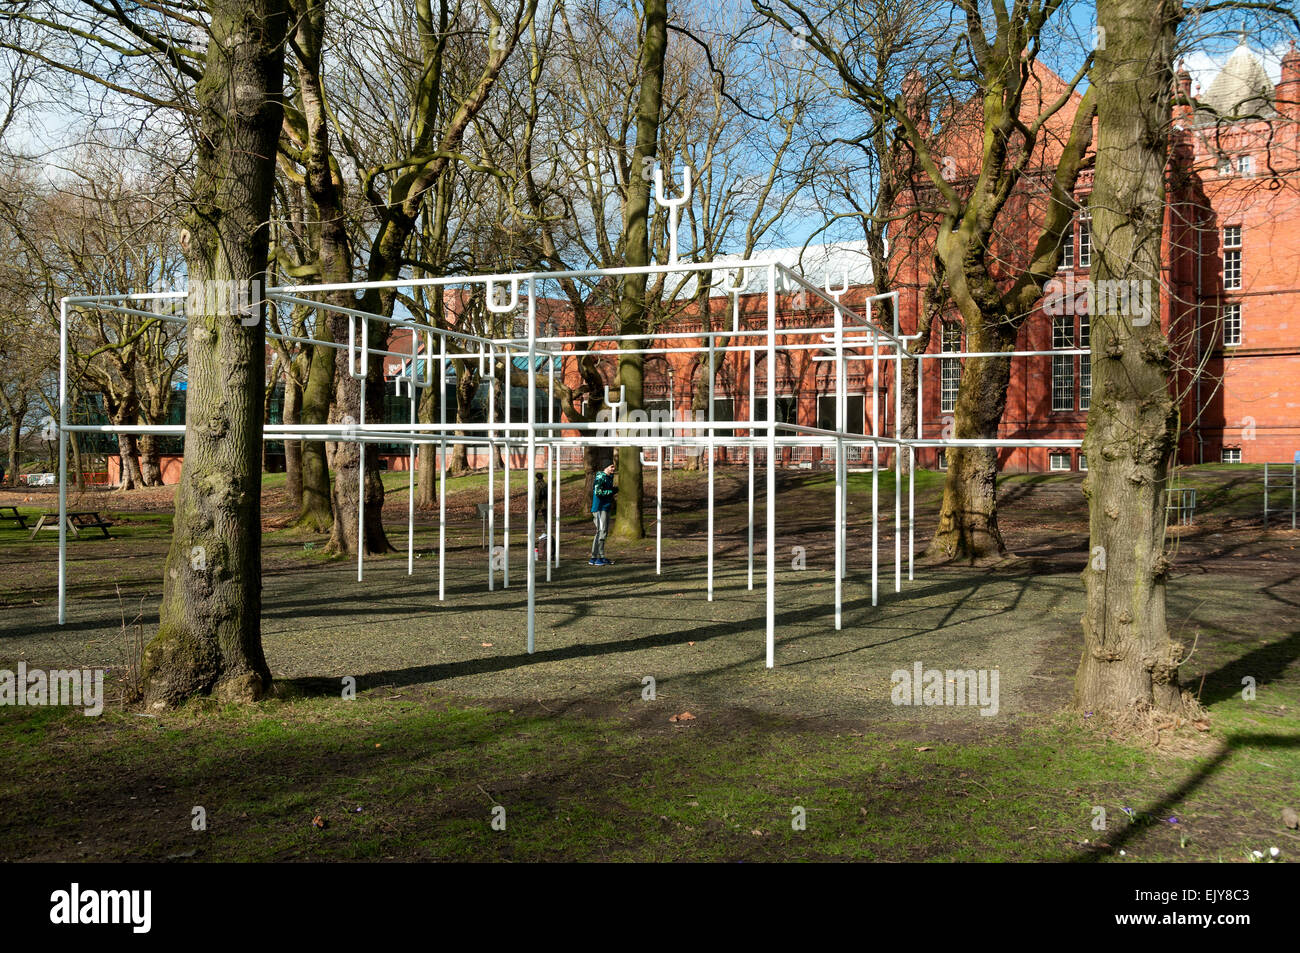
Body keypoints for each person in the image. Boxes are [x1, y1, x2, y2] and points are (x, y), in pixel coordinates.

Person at [589, 461, 616, 566]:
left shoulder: (609, 477)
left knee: (603, 532)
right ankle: (595, 558)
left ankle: (600, 556)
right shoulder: (600, 477)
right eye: (611, 466)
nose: (613, 468)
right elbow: (598, 492)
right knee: (601, 532)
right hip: (599, 508)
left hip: (606, 508)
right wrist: (611, 491)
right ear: (606, 467)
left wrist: (612, 490)